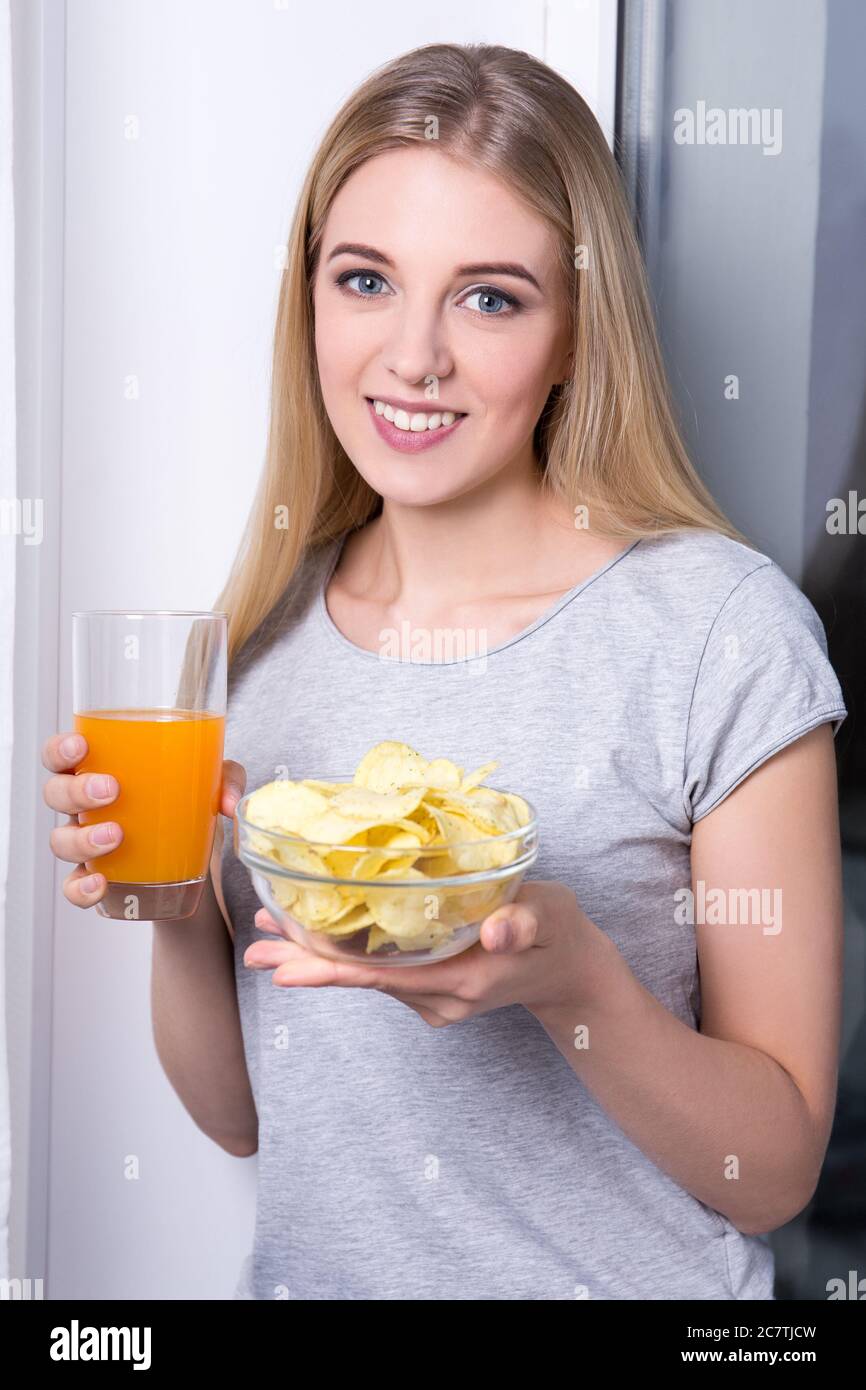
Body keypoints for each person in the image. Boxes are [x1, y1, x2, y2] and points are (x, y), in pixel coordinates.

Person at [44, 43, 847, 1300]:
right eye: (365, 279)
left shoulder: (717, 633)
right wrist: (178, 905)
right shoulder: (252, 638)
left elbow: (777, 1164)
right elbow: (244, 1121)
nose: (414, 356)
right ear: (308, 298)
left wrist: (573, 982)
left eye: (489, 297)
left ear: (578, 329)